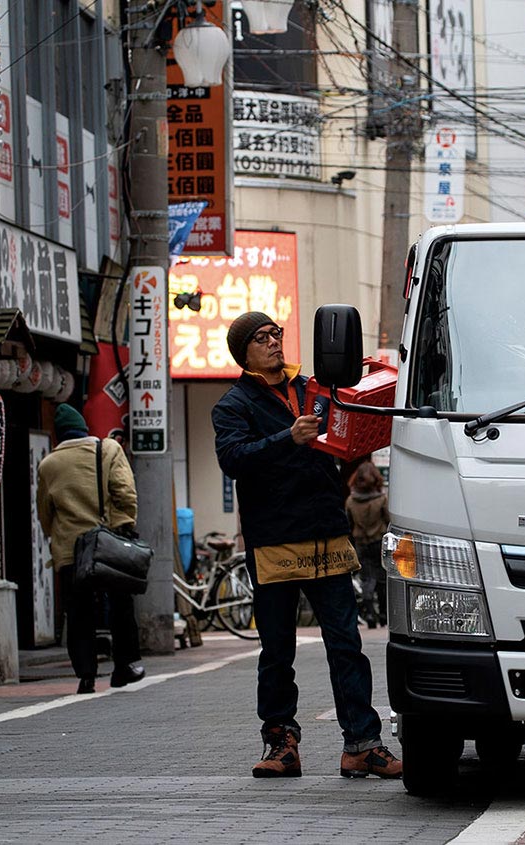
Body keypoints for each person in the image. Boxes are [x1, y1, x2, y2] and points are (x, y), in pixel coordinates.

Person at [211, 311, 403, 781]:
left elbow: (349, 436)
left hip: (328, 534)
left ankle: (362, 744)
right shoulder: (232, 405)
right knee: (278, 650)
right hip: (274, 541)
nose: (275, 341)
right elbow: (233, 458)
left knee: (347, 644)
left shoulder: (312, 389)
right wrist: (286, 437)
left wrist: (359, 390)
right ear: (244, 352)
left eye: (276, 333)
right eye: (261, 338)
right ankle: (281, 744)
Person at [37, 403, 145, 695]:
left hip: (71, 550)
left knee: (79, 611)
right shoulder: (107, 450)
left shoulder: (49, 465)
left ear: (58, 436)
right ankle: (124, 666)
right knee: (121, 604)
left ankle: (86, 675)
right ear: (85, 429)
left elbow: (45, 514)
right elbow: (125, 492)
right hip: (107, 544)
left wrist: (58, 536)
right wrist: (123, 524)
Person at [345, 462, 390, 629]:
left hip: (361, 543)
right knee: (382, 579)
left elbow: (348, 524)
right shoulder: (381, 499)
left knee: (366, 580)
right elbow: (388, 520)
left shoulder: (351, 501)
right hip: (379, 542)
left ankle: (370, 614)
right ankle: (384, 615)